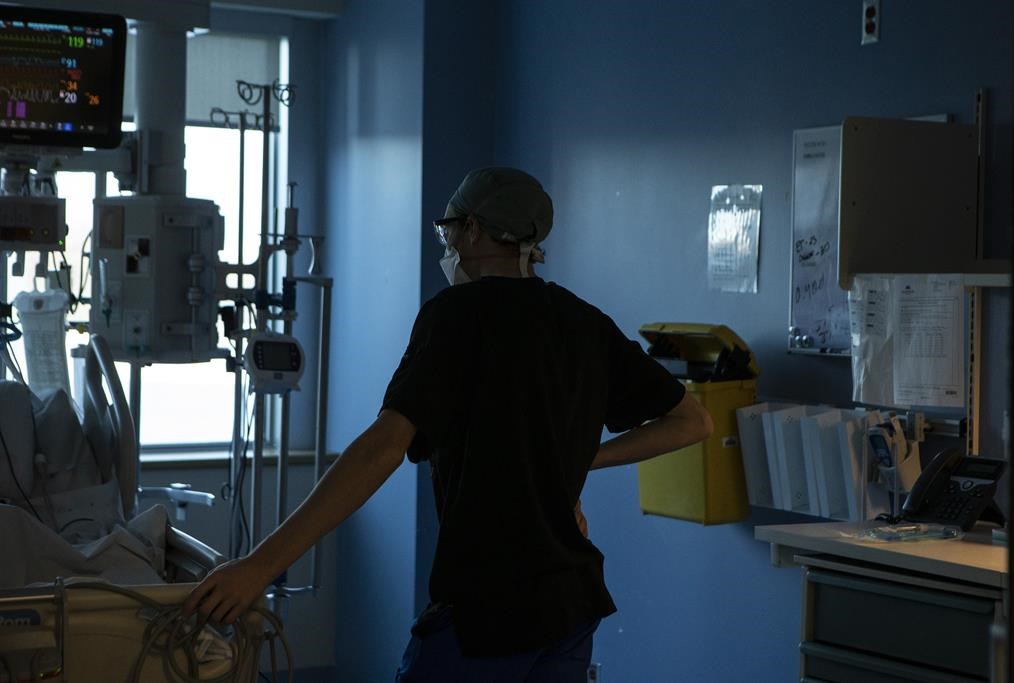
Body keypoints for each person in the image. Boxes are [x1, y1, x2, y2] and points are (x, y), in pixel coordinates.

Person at [183, 167, 713, 682]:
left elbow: (382, 448)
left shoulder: (456, 316)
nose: (449, 245)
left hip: (491, 609)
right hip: (571, 608)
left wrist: (259, 566)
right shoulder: (583, 322)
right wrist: (580, 459)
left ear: (473, 229)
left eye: (449, 230)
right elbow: (692, 422)